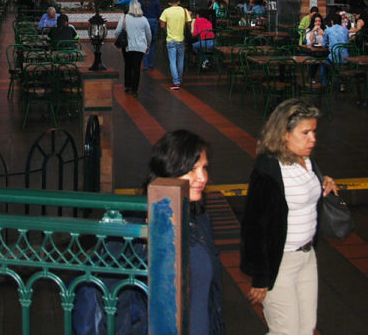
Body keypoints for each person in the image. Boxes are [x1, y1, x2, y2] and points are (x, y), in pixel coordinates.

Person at [241, 99, 337, 335]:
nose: (312, 139)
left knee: (306, 329)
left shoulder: (308, 162)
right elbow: (254, 227)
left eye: (313, 132)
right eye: (305, 132)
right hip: (280, 263)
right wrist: (261, 277)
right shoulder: (268, 170)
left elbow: (307, 196)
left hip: (307, 258)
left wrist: (326, 182)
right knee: (286, 331)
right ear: (284, 134)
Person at [144, 130, 225, 334]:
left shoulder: (199, 219)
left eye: (204, 168)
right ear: (169, 171)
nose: (202, 178)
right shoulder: (143, 226)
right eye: (191, 169)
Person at [112, 0, 152, 95]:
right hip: (140, 47)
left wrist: (117, 39)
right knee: (137, 67)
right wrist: (148, 46)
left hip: (127, 46)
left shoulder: (124, 18)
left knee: (128, 65)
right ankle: (135, 89)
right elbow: (148, 34)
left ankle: (128, 86)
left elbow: (117, 32)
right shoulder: (144, 19)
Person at [159, 0, 192, 91]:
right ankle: (179, 79)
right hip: (181, 39)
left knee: (172, 61)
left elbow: (162, 25)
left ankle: (176, 81)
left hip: (170, 39)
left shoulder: (166, 11)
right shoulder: (184, 11)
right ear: (178, 2)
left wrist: (168, 29)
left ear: (169, 3)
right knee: (180, 60)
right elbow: (189, 24)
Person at [141, 0, 162, 71]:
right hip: (153, 22)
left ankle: (145, 65)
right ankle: (151, 64)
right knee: (152, 44)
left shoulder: (140, 0)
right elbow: (159, 13)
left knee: (145, 44)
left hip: (143, 21)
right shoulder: (156, 1)